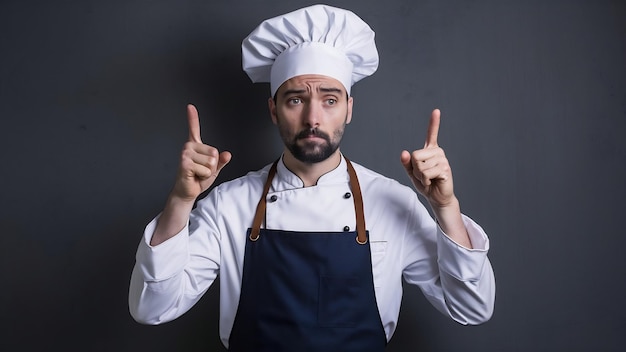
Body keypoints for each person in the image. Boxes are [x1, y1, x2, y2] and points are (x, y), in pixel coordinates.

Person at [129, 4, 495, 351]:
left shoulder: (392, 202)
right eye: (295, 100)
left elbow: (472, 309)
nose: (313, 118)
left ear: (349, 109)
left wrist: (446, 208)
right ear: (273, 109)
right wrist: (180, 201)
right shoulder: (229, 204)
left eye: (330, 100)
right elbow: (152, 309)